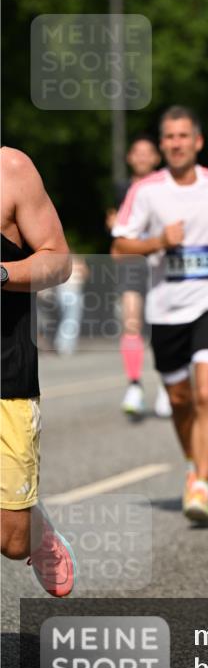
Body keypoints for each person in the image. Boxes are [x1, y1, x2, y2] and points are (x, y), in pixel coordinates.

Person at [112, 107, 208, 521]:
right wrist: (158, 240)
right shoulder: (145, 191)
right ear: (162, 145)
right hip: (165, 309)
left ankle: (201, 484)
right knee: (179, 400)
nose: (177, 143)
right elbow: (120, 245)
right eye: (170, 137)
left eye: (184, 136)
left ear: (198, 141)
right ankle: (193, 467)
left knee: (206, 393)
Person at [1, 146, 76, 596]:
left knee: (10, 539)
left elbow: (58, 259)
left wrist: (4, 274)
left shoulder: (11, 169)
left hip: (6, 371)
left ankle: (31, 524)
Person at [106, 135, 171, 420]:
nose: (143, 157)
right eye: (138, 152)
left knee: (163, 327)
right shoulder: (121, 190)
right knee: (131, 321)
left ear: (156, 158)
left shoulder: (167, 186)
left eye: (148, 153)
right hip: (133, 261)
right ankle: (134, 385)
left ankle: (168, 385)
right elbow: (116, 225)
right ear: (130, 158)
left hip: (162, 262)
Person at [53, 253, 90, 356]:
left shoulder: (60, 262)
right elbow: (85, 274)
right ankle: (65, 345)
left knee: (66, 318)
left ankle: (62, 343)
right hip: (73, 293)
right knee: (72, 319)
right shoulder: (77, 261)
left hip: (62, 293)